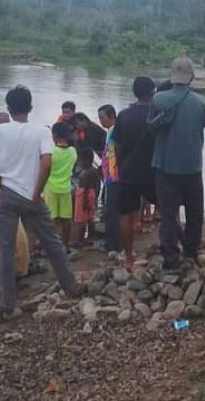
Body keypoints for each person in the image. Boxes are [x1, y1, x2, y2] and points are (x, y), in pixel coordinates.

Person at [0, 85, 79, 321]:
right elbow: (46, 163)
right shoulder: (42, 132)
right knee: (53, 243)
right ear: (31, 107)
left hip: (6, 195)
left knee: (5, 250)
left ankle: (8, 306)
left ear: (8, 108)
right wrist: (37, 193)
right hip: (31, 195)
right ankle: (71, 287)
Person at [150, 57, 205, 272]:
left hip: (165, 167)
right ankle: (191, 252)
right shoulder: (201, 102)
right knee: (195, 212)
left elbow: (151, 128)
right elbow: (204, 125)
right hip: (193, 166)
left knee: (168, 214)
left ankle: (170, 259)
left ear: (171, 76)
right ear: (192, 77)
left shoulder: (158, 100)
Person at [114, 76, 158, 269]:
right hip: (153, 172)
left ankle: (129, 258)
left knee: (126, 215)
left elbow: (117, 144)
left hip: (128, 172)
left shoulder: (123, 115)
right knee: (169, 211)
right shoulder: (157, 115)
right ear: (153, 92)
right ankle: (172, 250)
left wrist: (120, 167)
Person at [44, 122, 77, 252]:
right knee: (66, 219)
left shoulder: (51, 152)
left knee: (52, 219)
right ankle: (65, 244)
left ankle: (52, 246)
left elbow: (45, 168)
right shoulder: (73, 151)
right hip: (66, 187)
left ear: (54, 135)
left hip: (50, 187)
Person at [98, 104, 121, 252]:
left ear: (111, 117)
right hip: (110, 176)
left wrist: (111, 176)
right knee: (110, 210)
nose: (100, 121)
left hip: (114, 177)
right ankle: (112, 242)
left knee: (111, 211)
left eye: (102, 118)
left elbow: (113, 155)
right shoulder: (110, 131)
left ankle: (112, 244)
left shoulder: (114, 132)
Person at [75, 147, 101, 244]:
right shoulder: (94, 171)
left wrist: (85, 202)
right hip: (92, 195)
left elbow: (84, 190)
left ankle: (80, 240)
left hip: (84, 197)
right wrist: (96, 198)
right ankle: (91, 236)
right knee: (90, 218)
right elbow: (97, 185)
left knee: (81, 220)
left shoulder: (85, 174)